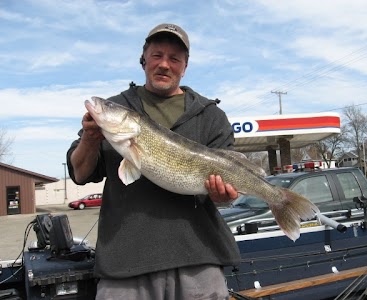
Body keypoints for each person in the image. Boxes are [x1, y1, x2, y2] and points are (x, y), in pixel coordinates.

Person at [67, 23, 241, 300]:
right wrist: (89, 139)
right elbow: (79, 172)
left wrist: (224, 195)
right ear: (144, 59)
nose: (164, 64)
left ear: (184, 67)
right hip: (124, 263)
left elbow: (227, 194)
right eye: (157, 55)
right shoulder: (118, 106)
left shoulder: (211, 116)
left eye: (174, 59)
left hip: (198, 258)